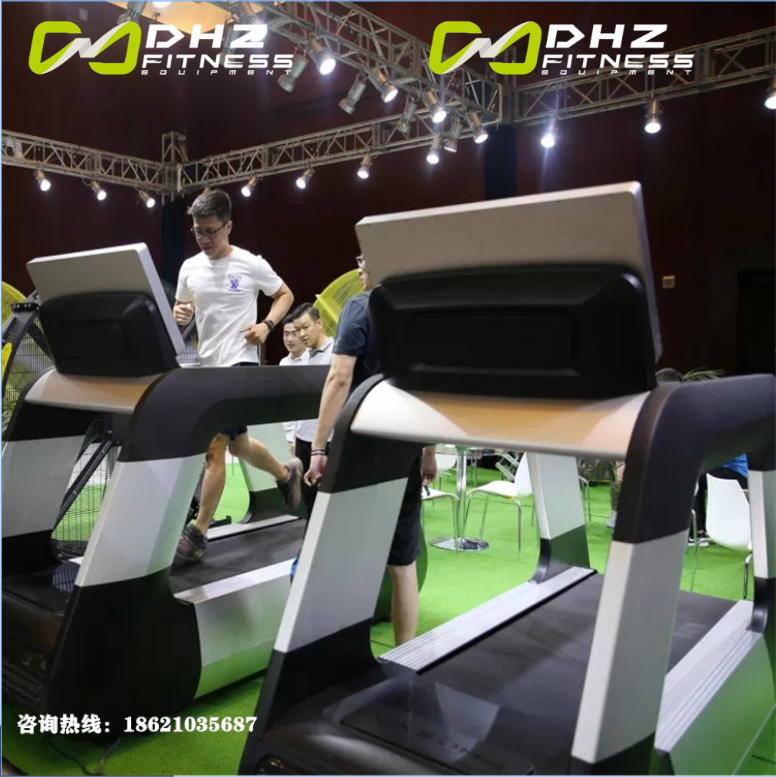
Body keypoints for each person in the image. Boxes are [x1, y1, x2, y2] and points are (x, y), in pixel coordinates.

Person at [305, 255, 437, 646]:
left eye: (364, 259)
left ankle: (338, 651)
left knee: (343, 555)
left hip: (363, 446)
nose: (359, 265)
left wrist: (318, 447)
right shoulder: (419, 312)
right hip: (407, 445)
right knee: (403, 563)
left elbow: (339, 377)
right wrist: (429, 450)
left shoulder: (360, 306)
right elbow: (427, 384)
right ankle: (405, 654)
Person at [172, 188, 303, 562]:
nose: (204, 238)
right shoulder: (189, 268)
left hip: (240, 363)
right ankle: (285, 474)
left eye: (210, 231)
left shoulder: (250, 264)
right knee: (238, 445)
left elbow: (284, 294)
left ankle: (198, 533)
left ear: (228, 226)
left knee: (214, 446)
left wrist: (267, 325)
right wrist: (180, 311)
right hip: (207, 365)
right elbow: (183, 306)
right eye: (198, 231)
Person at [290, 303, 334, 517]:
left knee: (328, 504)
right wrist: (295, 436)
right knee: (309, 502)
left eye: (305, 327)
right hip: (303, 441)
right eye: (297, 329)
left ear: (319, 323)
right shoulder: (303, 357)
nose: (301, 334)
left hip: (328, 442)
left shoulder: (337, 353)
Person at [693, 454, 749, 546]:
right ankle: (701, 530)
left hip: (736, 473)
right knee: (699, 478)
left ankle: (699, 531)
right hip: (744, 475)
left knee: (694, 479)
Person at [279, 314, 307, 454]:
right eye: (286, 334)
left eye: (294, 334)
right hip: (283, 435)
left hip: (303, 437)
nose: (289, 339)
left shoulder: (312, 361)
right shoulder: (283, 363)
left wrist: (296, 437)